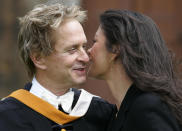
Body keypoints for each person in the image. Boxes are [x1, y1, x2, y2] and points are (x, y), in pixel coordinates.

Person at [0, 3, 116, 131]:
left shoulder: (101, 113)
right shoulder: (7, 117)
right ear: (39, 58)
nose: (85, 58)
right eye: (72, 49)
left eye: (83, 46)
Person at [88, 9, 182, 131]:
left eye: (95, 41)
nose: (88, 51)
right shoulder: (121, 111)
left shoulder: (147, 107)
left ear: (116, 49)